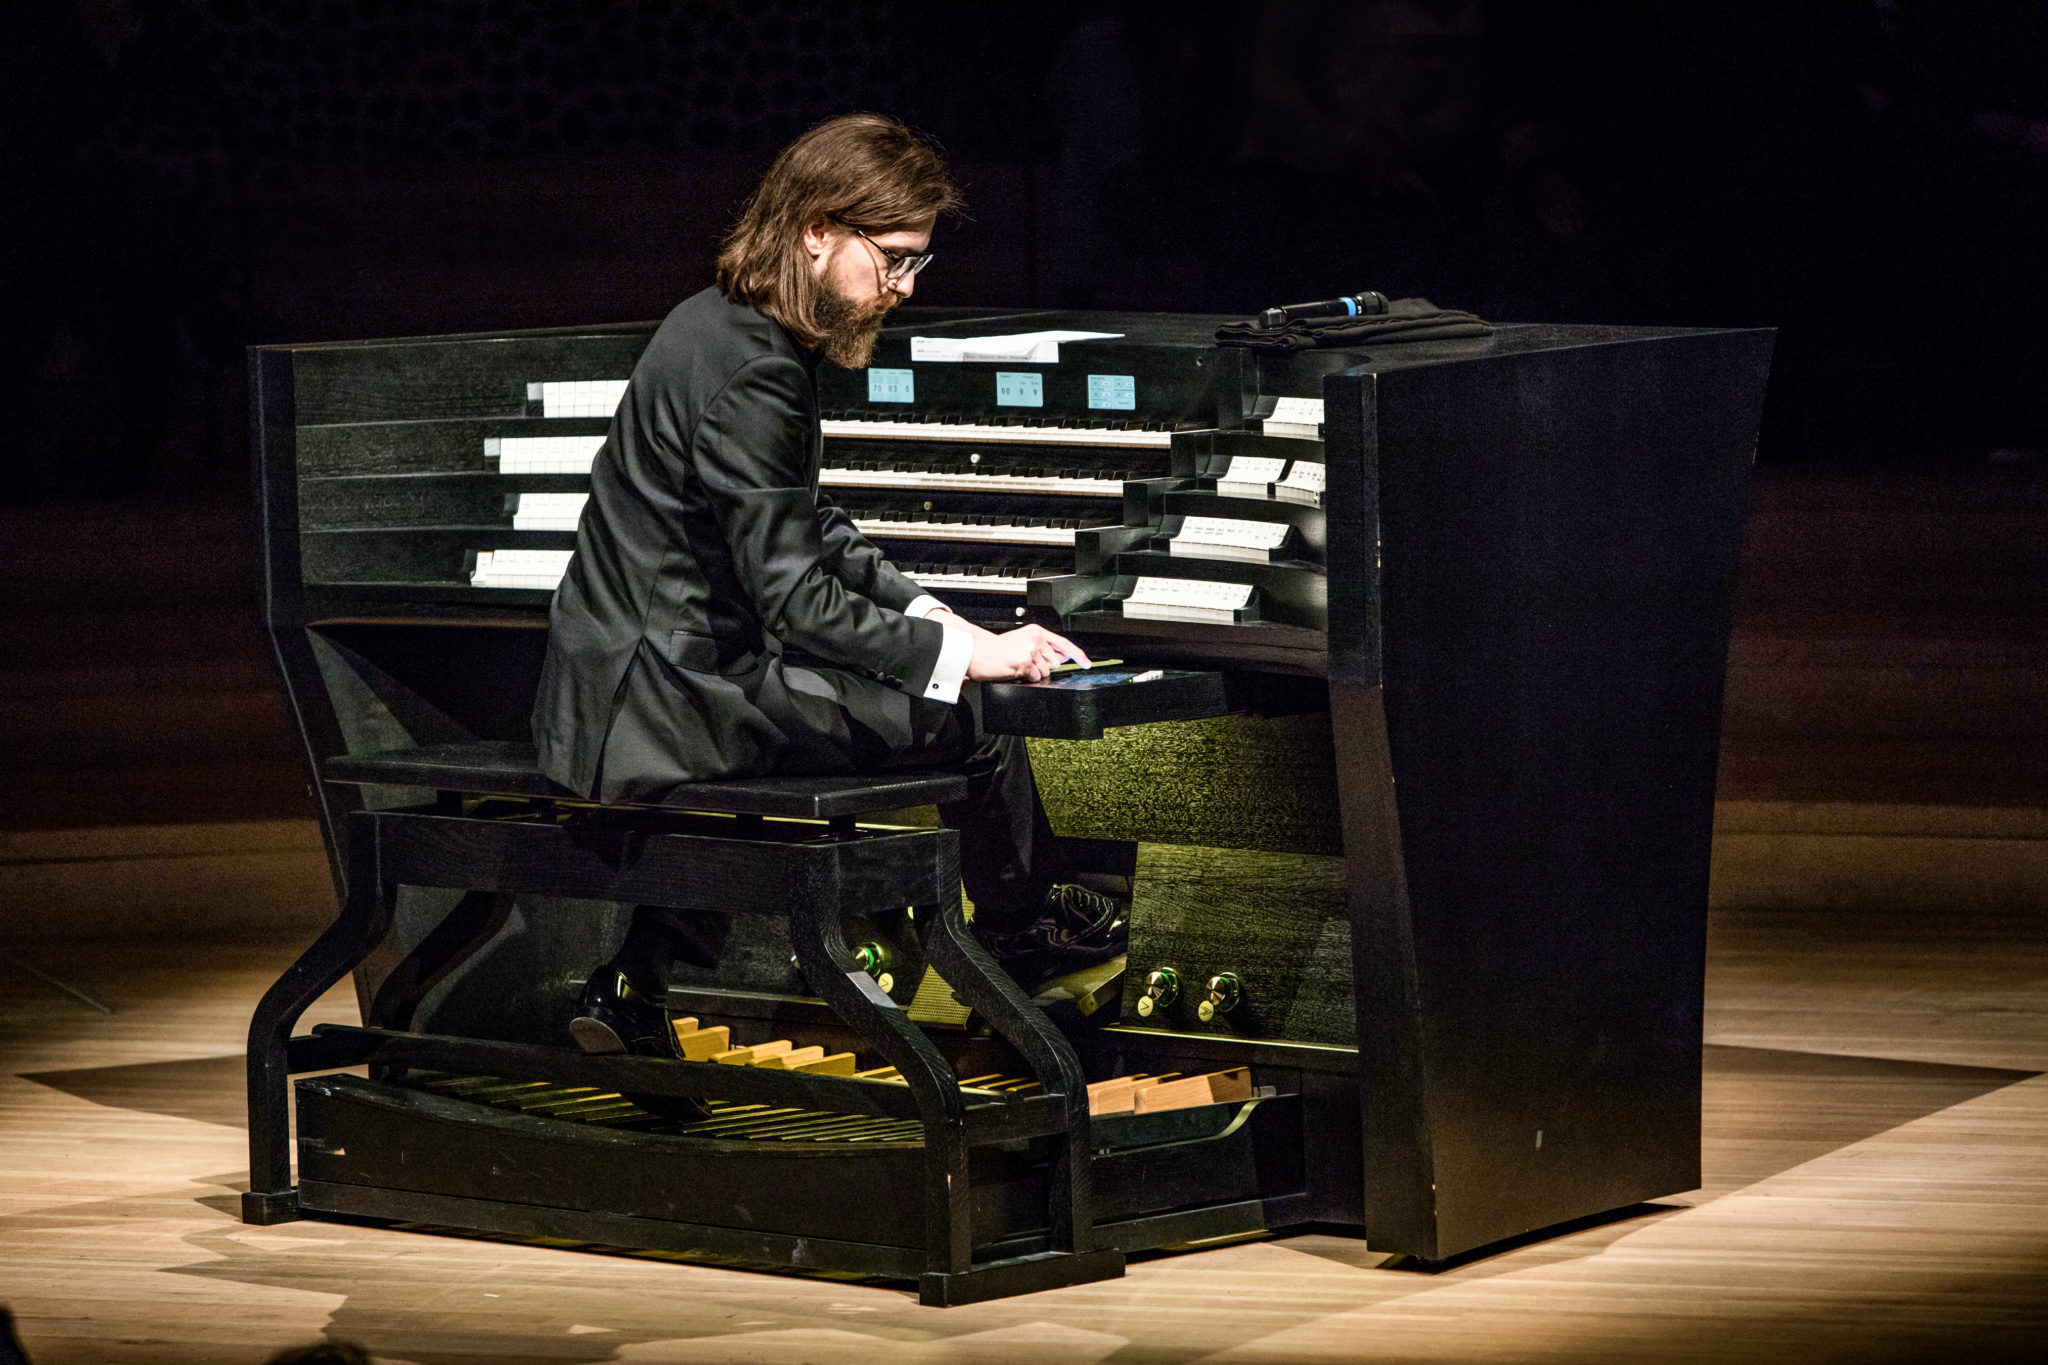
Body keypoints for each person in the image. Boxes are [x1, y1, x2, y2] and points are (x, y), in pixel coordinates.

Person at [533, 113, 1126, 1062]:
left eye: (915, 265)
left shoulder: (716, 322)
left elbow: (810, 522)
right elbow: (795, 599)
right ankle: (1027, 950)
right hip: (670, 704)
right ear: (816, 230)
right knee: (975, 726)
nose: (899, 287)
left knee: (885, 690)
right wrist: (965, 660)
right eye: (889, 257)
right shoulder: (759, 370)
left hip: (635, 685)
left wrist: (933, 614)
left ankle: (634, 982)